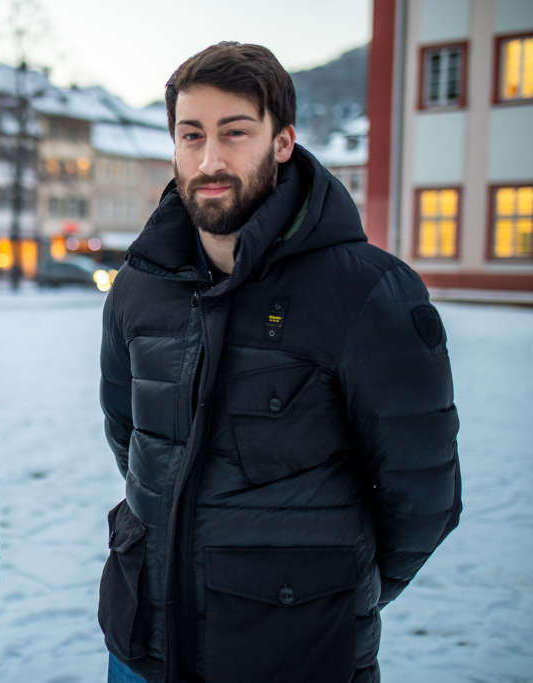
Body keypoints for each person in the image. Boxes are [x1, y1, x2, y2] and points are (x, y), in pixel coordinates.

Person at [97, 42, 461, 683]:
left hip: (295, 654)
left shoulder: (368, 292)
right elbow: (132, 441)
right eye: (191, 135)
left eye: (235, 133)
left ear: (284, 141)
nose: (210, 159)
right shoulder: (139, 285)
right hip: (143, 647)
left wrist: (331, 589)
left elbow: (424, 493)